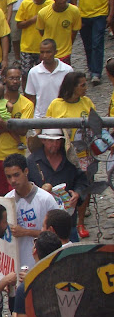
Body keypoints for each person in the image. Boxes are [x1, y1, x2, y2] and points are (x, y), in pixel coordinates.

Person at [45, 72, 96, 238]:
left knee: (84, 187)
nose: (85, 88)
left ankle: (80, 221)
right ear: (72, 87)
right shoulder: (56, 104)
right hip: (64, 154)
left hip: (83, 153)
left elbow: (96, 125)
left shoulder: (87, 103)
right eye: (82, 85)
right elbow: (49, 129)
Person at [26, 128, 89, 242]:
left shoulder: (70, 160)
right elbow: (25, 188)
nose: (55, 144)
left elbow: (82, 181)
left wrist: (77, 193)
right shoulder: (32, 162)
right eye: (51, 141)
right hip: (43, 222)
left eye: (58, 141)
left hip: (68, 222)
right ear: (43, 140)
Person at [0, 66, 34, 196]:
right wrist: (10, 126)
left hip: (16, 156)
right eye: (12, 78)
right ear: (4, 79)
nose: (15, 81)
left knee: (16, 197)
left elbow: (23, 131)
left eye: (18, 78)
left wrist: (0, 122)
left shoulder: (27, 104)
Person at [4, 153, 58, 268]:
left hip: (42, 264)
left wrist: (26, 232)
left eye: (16, 175)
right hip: (17, 264)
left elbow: (56, 236)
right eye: (9, 177)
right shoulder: (7, 200)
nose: (13, 180)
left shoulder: (45, 199)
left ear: (26, 171)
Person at [71, 0, 114, 85]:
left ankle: (96, 72)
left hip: (100, 14)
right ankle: (91, 67)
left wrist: (110, 15)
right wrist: (76, 12)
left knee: (97, 43)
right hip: (84, 15)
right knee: (88, 44)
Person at [15, 0, 53, 88]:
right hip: (27, 46)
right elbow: (19, 24)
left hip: (43, 46)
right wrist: (32, 20)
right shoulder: (26, 4)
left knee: (44, 74)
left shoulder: (50, 5)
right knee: (25, 74)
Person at [24, 39, 73, 118]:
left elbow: (71, 94)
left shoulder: (67, 70)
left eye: (48, 52)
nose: (45, 56)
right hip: (41, 117)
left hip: (62, 116)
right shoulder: (34, 72)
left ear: (55, 52)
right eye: (42, 52)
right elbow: (31, 97)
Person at [35, 0, 81, 65]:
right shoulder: (43, 13)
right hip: (48, 53)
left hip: (65, 53)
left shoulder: (74, 11)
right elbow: (41, 31)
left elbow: (74, 31)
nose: (63, 0)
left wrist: (68, 45)